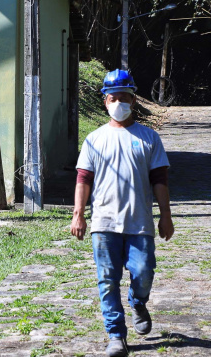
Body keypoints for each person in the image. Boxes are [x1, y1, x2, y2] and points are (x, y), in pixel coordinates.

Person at [69, 69, 173, 357]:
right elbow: (83, 180)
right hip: (103, 224)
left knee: (143, 273)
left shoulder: (149, 138)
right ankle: (116, 335)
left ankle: (138, 302)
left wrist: (166, 215)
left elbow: (160, 181)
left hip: (140, 223)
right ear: (106, 101)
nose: (119, 102)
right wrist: (78, 214)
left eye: (124, 97)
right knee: (107, 280)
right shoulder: (94, 140)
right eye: (113, 97)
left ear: (133, 99)